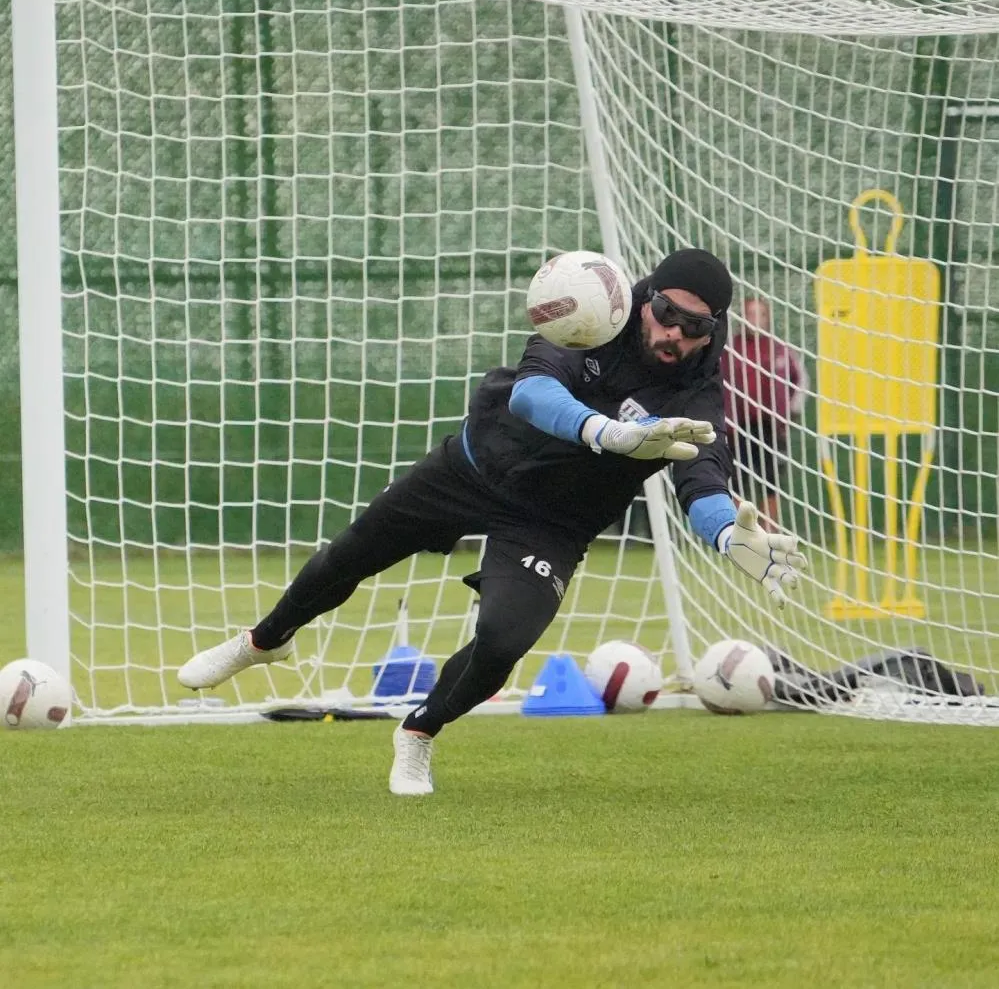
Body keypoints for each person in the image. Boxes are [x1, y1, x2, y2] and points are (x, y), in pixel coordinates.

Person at [178, 249, 807, 796]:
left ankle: (420, 731)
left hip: (553, 525)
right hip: (474, 468)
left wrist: (727, 533)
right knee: (352, 553)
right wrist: (609, 433)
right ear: (647, 300)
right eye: (665, 312)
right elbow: (531, 394)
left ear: (711, 330)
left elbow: (701, 475)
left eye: (692, 326)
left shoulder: (699, 390)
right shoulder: (598, 305)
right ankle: (264, 641)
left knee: (503, 642)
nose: (672, 331)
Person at [722, 297, 808, 527]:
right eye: (750, 314)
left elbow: (799, 380)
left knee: (771, 479)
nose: (755, 319)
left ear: (767, 318)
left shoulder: (779, 349)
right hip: (737, 426)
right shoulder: (730, 350)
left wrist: (790, 411)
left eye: (760, 314)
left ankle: (767, 530)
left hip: (770, 426)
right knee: (738, 479)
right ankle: (740, 528)